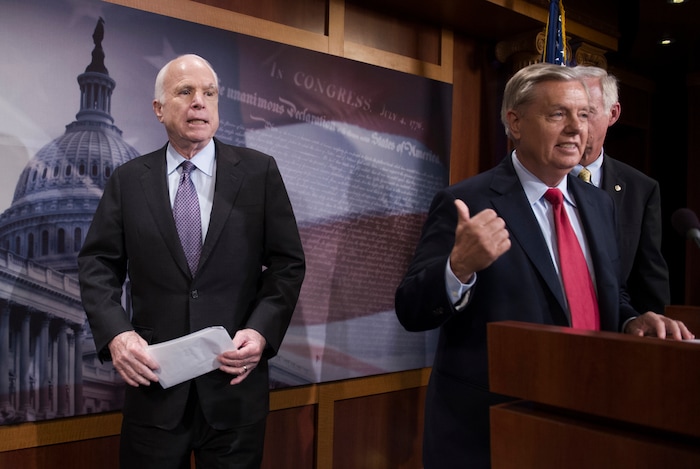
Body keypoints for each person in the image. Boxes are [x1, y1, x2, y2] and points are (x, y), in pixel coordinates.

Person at [394, 62, 693, 469]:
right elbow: (411, 308)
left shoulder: (599, 203)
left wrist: (631, 321)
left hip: (590, 421)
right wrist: (457, 267)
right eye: (558, 114)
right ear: (515, 122)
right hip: (492, 431)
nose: (576, 128)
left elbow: (606, 294)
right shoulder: (467, 201)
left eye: (584, 114)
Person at [78, 54, 305, 468]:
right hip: (155, 391)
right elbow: (97, 265)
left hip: (234, 391)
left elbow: (288, 265)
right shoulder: (128, 181)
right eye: (185, 92)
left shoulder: (258, 173)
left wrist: (260, 332)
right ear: (159, 108)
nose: (199, 102)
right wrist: (117, 335)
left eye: (209, 93)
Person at [572, 65, 670, 314]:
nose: (574, 126)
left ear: (612, 114)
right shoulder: (544, 180)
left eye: (586, 113)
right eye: (563, 113)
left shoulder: (641, 189)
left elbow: (649, 279)